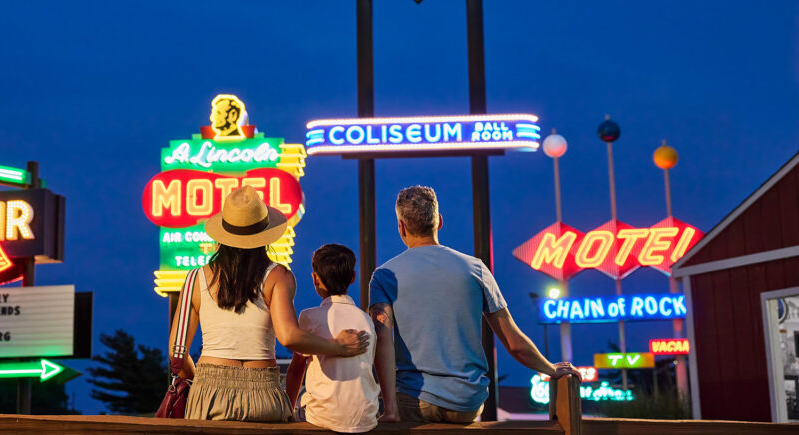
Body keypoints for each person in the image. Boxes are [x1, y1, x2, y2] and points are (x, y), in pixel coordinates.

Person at [370, 185, 579, 424]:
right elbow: (515, 343)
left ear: (401, 226)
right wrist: (551, 369)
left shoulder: (384, 275)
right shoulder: (475, 269)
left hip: (413, 399)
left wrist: (391, 408)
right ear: (438, 221)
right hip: (466, 402)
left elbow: (383, 342)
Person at [170, 185, 370, 422]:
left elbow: (177, 353)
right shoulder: (278, 276)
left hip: (208, 392)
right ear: (264, 233)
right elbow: (288, 336)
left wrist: (201, 382)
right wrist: (338, 346)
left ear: (223, 232)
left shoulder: (194, 279)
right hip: (263, 391)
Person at [285, 244, 379, 433]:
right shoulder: (366, 320)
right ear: (353, 278)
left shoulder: (309, 318)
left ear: (315, 279)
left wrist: (288, 410)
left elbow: (296, 371)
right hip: (365, 419)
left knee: (302, 410)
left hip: (323, 417)